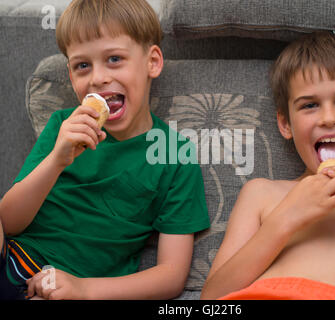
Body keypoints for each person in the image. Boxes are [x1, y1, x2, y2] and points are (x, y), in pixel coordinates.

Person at [0, 0, 209, 300]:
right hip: (13, 254)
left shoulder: (175, 156)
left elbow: (171, 275)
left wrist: (84, 289)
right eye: (83, 66)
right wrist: (57, 161)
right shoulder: (63, 126)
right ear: (72, 77)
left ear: (152, 62)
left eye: (114, 59)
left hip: (68, 286)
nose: (97, 77)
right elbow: (8, 221)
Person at [201, 31, 335, 300]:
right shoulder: (262, 194)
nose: (328, 118)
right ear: (285, 124)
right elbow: (212, 297)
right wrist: (285, 219)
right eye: (310, 105)